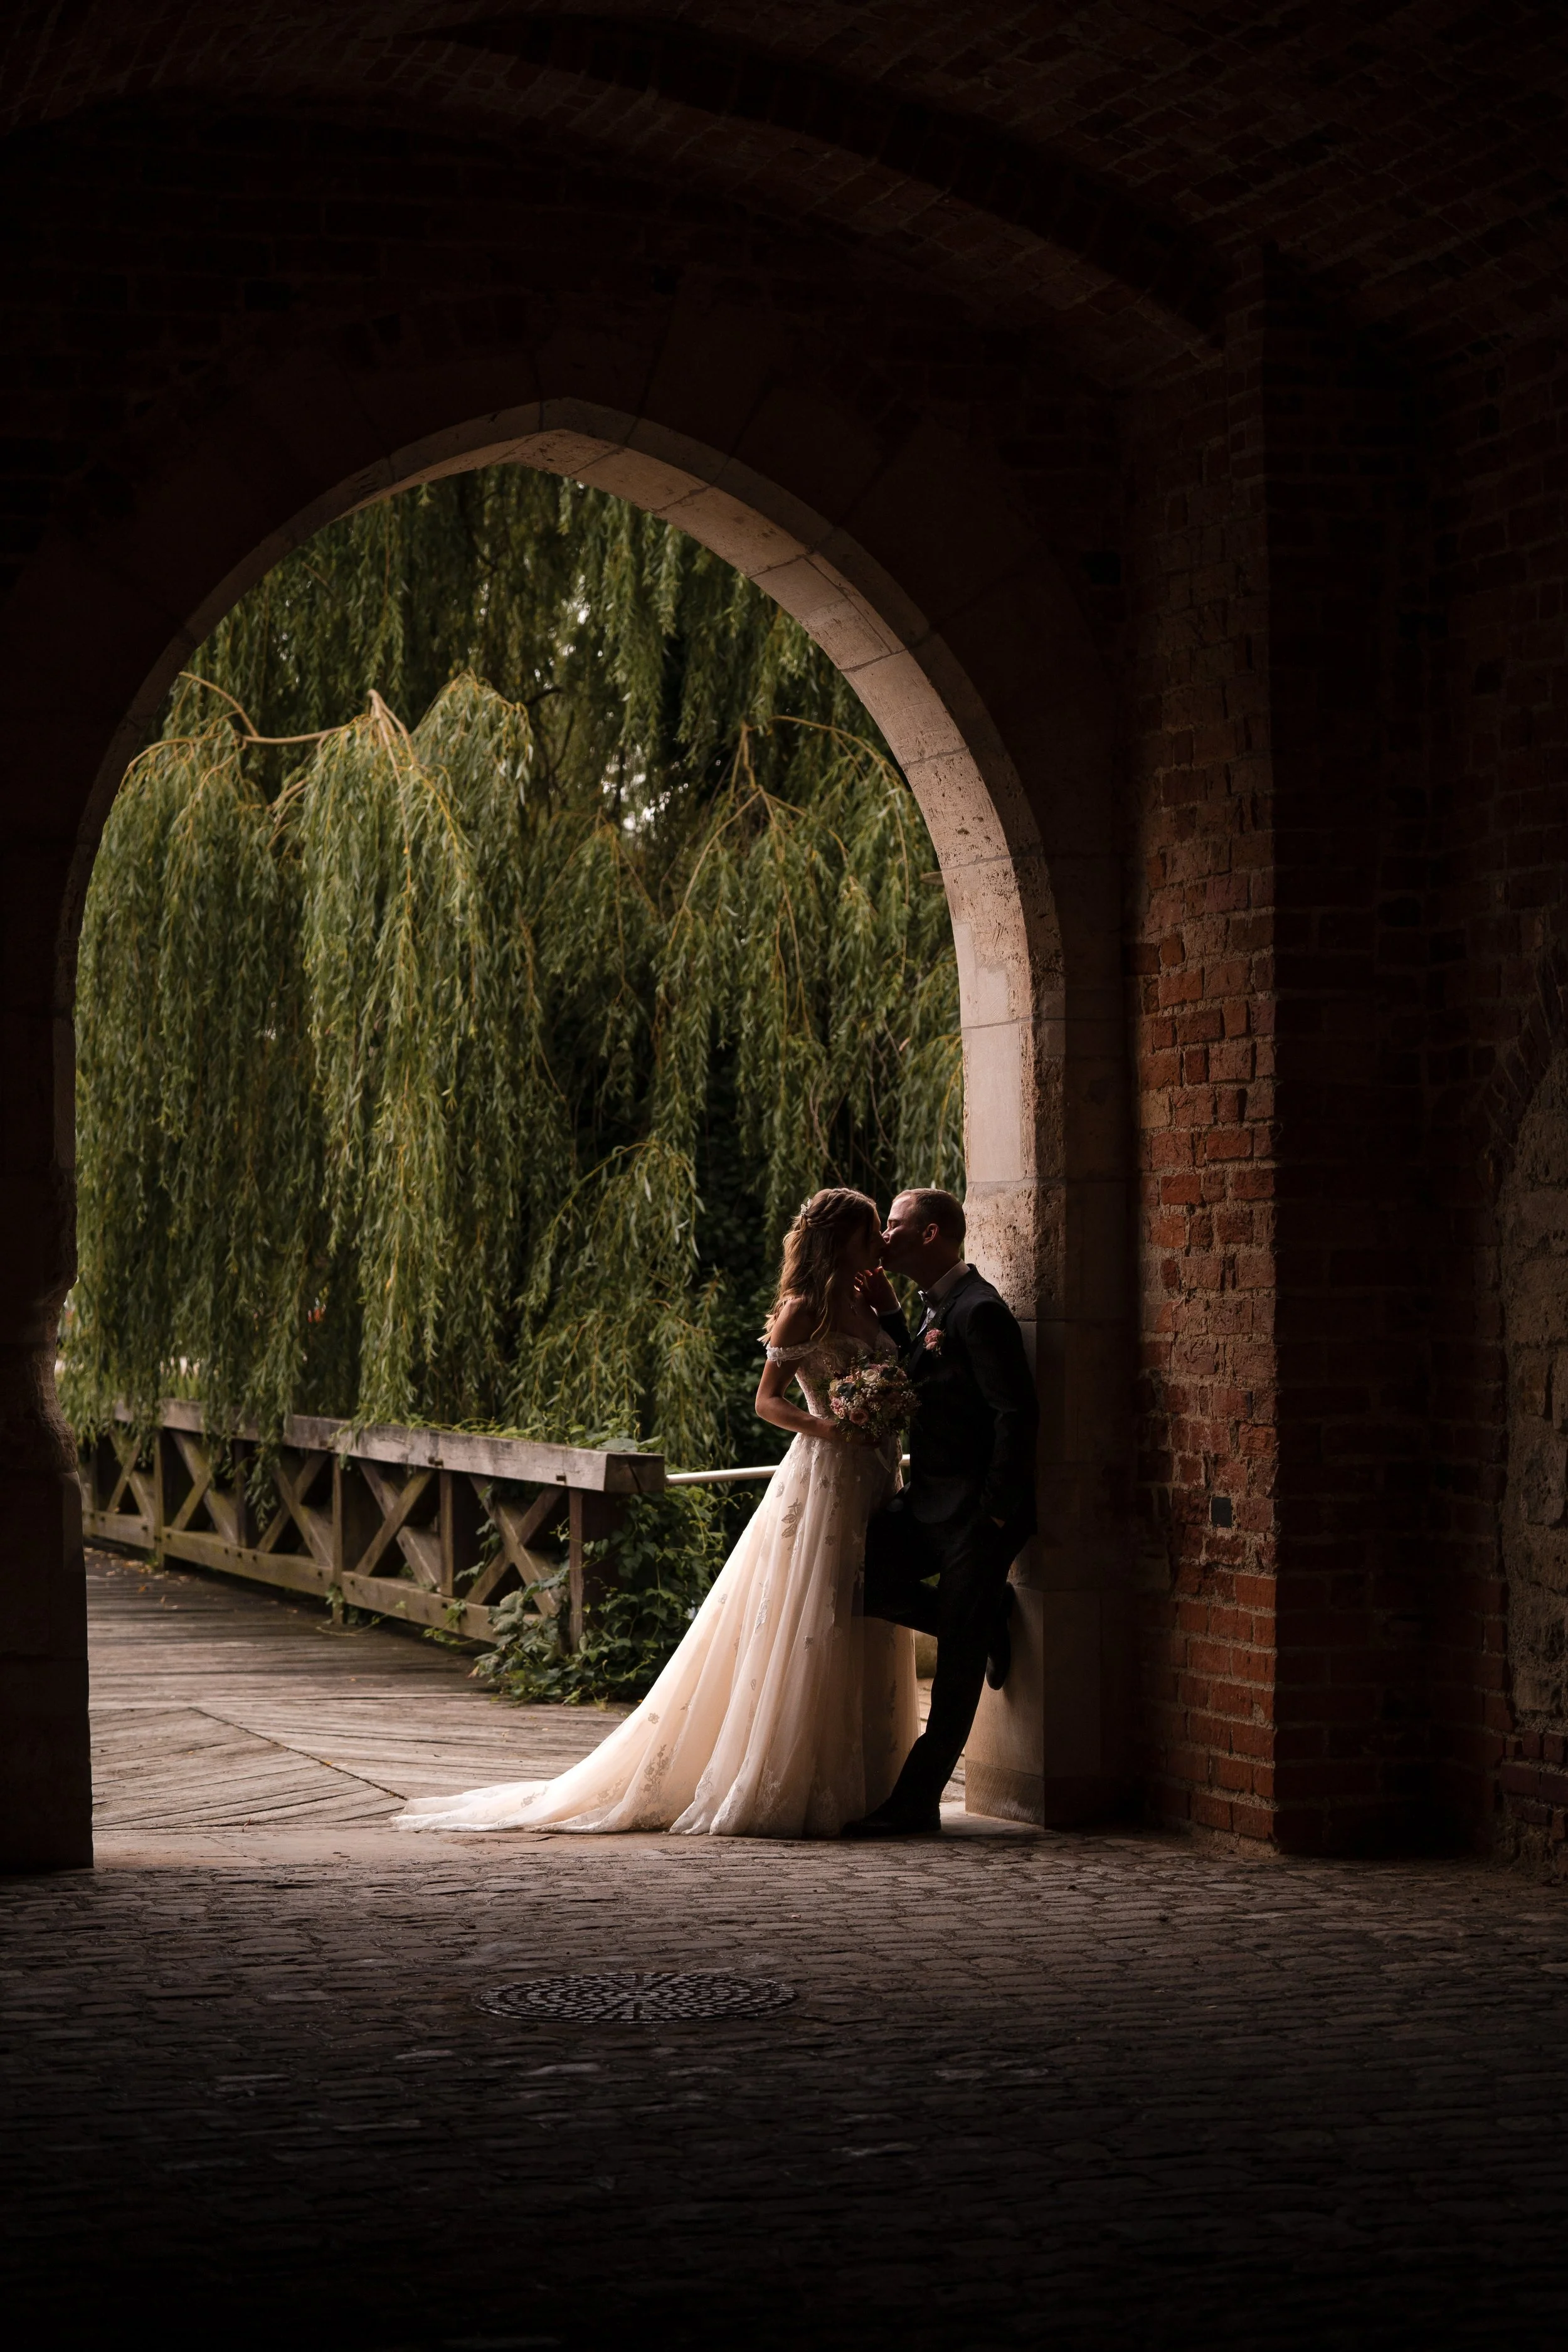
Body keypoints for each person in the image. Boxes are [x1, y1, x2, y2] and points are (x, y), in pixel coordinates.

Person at [395, 1187, 917, 1838]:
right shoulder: (802, 1310)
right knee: (820, 1613)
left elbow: (903, 1371)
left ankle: (872, 1783)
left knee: (873, 1612)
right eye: (872, 1232)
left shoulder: (872, 1299)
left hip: (877, 1476)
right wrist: (828, 1428)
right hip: (828, 1477)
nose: (881, 1243)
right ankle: (796, 1776)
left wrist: (890, 1321)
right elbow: (767, 1402)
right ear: (842, 1240)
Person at [842, 1188, 1037, 1838]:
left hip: (976, 1519)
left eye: (895, 1225)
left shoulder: (981, 1311)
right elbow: (928, 1378)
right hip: (926, 1502)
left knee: (956, 1667)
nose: (884, 1236)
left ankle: (915, 1803)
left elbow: (1016, 1415)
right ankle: (988, 1620)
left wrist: (995, 1516)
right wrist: (894, 1319)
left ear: (930, 1234)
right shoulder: (936, 1304)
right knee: (856, 1579)